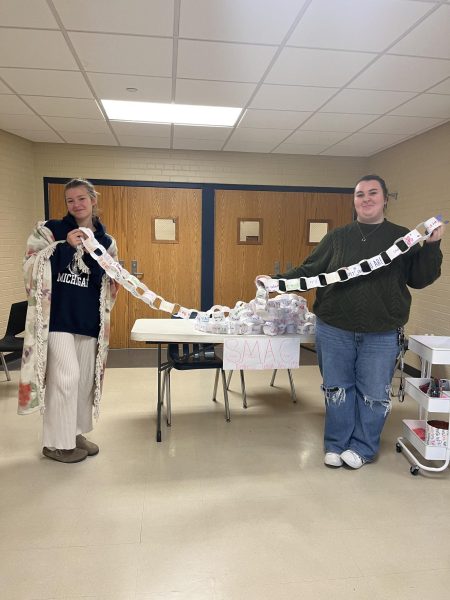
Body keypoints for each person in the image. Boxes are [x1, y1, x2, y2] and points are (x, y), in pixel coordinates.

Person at [275, 175, 445, 469]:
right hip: (334, 328)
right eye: (360, 194)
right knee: (337, 387)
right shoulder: (337, 238)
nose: (366, 199)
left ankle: (363, 448)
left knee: (374, 393)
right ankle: (336, 444)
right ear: (353, 201)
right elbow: (310, 270)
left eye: (372, 193)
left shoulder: (402, 238)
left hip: (381, 332)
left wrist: (432, 245)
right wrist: (275, 282)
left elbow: (420, 278)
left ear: (384, 200)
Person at [18, 178, 119, 463]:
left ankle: (73, 433)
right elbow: (29, 266)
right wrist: (62, 247)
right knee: (66, 378)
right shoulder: (50, 230)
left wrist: (113, 278)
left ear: (93, 200)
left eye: (81, 199)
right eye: (70, 200)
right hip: (58, 320)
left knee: (84, 380)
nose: (76, 205)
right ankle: (54, 444)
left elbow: (109, 281)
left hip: (88, 321)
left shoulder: (106, 241)